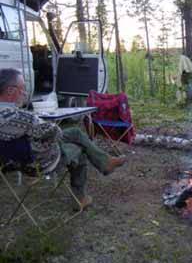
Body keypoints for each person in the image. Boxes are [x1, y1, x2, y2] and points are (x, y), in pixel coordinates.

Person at [0, 68, 127, 209]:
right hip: (39, 162)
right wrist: (38, 121)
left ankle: (106, 161)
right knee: (80, 150)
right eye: (22, 89)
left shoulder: (13, 116)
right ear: (10, 91)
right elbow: (55, 132)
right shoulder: (19, 117)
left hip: (11, 161)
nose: (24, 93)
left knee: (75, 133)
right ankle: (81, 198)